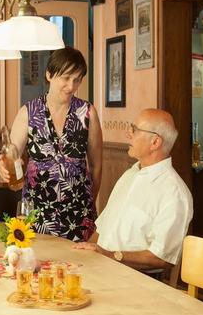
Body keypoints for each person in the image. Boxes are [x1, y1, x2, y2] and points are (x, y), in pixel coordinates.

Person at [0, 47, 103, 242]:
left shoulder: (87, 113)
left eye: (77, 79)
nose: (71, 86)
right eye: (66, 77)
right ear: (49, 74)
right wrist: (3, 168)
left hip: (79, 216)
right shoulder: (28, 113)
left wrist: (89, 203)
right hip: (37, 216)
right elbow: (11, 159)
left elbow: (96, 167)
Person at [74, 109, 192, 272]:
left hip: (137, 280)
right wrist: (84, 256)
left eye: (134, 130)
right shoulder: (130, 175)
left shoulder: (174, 193)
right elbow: (101, 230)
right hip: (101, 268)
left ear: (155, 142)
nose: (128, 134)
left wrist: (111, 255)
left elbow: (162, 258)